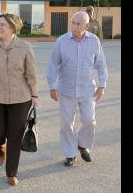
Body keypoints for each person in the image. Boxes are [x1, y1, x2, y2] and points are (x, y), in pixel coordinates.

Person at [0, 13, 38, 187]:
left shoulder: (25, 47)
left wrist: (35, 95)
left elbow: (31, 74)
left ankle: (11, 172)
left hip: (21, 98)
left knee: (15, 135)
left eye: (3, 24)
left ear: (13, 27)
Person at [47, 11, 108, 167]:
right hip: (66, 89)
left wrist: (102, 85)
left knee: (89, 120)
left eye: (78, 24)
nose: (74, 26)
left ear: (86, 25)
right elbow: (53, 64)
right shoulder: (62, 41)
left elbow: (101, 65)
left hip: (87, 89)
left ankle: (82, 144)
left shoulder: (94, 41)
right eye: (73, 23)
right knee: (66, 123)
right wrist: (52, 86)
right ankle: (70, 153)